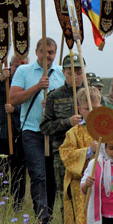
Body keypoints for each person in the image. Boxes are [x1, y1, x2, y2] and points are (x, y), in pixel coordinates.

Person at [10, 38, 65, 224]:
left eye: (51, 52)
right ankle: (42, 219)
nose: (48, 56)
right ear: (37, 52)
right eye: (44, 51)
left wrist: (52, 105)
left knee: (51, 177)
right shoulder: (23, 71)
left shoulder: (60, 73)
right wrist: (37, 88)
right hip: (32, 131)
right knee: (38, 174)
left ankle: (48, 214)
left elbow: (69, 102)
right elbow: (14, 98)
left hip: (54, 133)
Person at [59, 87, 105, 224]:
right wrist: (88, 150)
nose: (91, 112)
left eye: (95, 107)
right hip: (82, 188)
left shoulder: (107, 128)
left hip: (103, 188)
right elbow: (67, 155)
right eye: (87, 108)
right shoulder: (74, 132)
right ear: (80, 108)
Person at [41, 53, 86, 215]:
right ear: (64, 73)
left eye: (79, 72)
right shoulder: (55, 96)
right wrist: (67, 122)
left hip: (87, 154)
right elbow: (45, 127)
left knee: (87, 196)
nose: (75, 76)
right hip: (63, 154)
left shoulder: (91, 95)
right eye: (70, 72)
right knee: (66, 195)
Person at [0, 52, 28, 210]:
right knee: (0, 170)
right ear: (11, 65)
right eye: (17, 65)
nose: (20, 69)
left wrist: (15, 109)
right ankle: (2, 202)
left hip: (20, 134)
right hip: (1, 132)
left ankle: (17, 205)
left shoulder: (28, 81)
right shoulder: (2, 79)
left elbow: (29, 105)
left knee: (19, 172)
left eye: (23, 65)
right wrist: (1, 78)